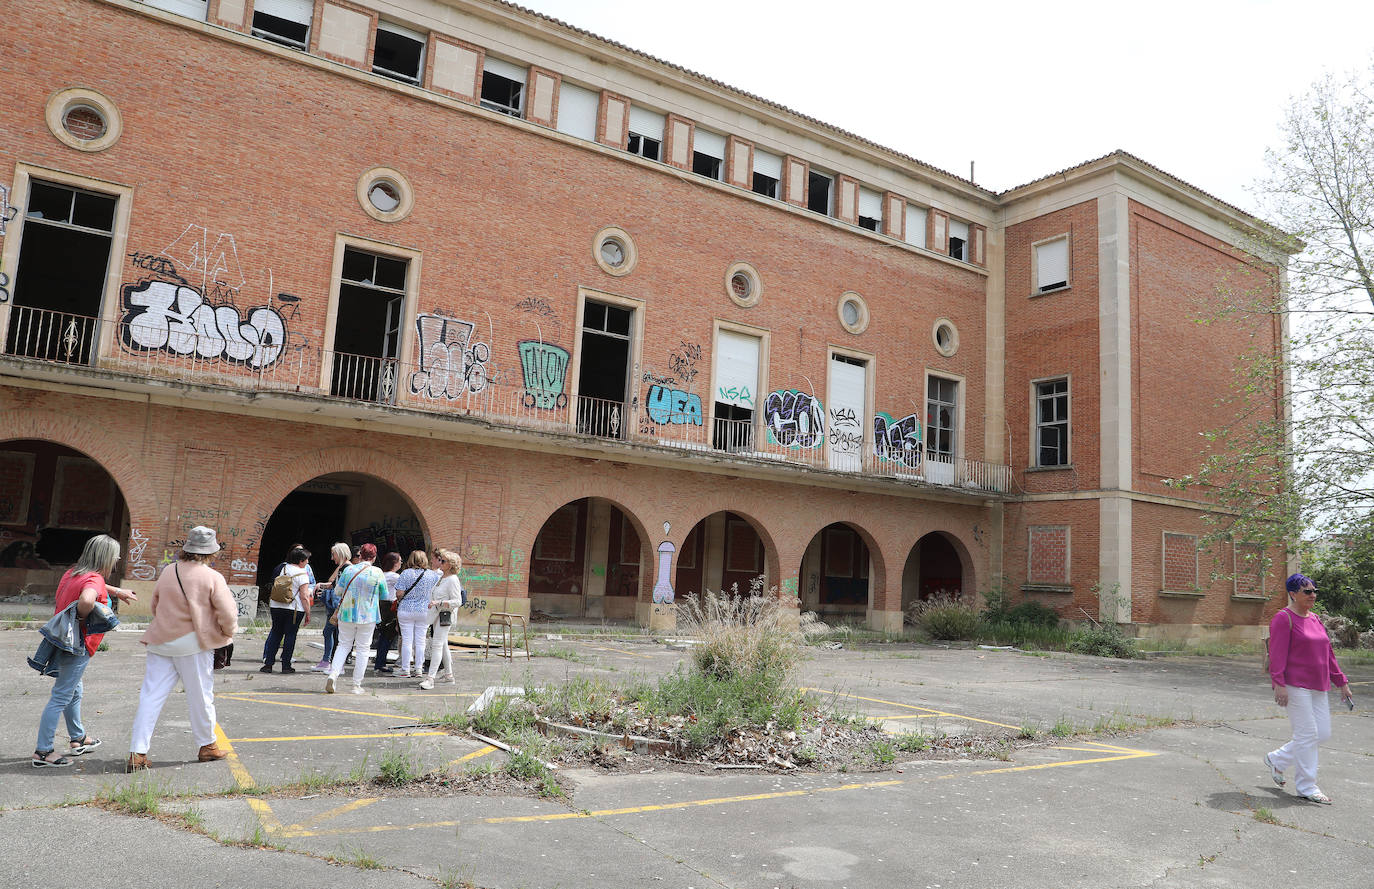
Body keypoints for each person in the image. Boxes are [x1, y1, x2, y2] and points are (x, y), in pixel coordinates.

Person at [127, 526, 238, 772]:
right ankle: (207, 746)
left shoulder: (169, 570)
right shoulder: (212, 577)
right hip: (194, 644)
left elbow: (155, 605)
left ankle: (137, 752)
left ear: (187, 549)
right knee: (201, 696)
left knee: (151, 696)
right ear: (210, 552)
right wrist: (227, 632)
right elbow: (228, 613)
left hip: (160, 640)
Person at [32, 534, 137, 767]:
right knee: (61, 696)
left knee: (73, 691)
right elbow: (89, 597)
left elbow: (93, 584)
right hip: (78, 646)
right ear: (106, 558)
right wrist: (81, 616)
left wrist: (117, 592)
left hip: (63, 640)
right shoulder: (94, 581)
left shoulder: (72, 573)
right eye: (116, 557)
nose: (117, 560)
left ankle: (78, 739)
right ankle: (43, 752)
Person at [1264, 573, 1353, 805]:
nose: (1312, 595)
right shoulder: (1283, 618)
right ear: (1293, 593)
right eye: (1307, 591)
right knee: (1307, 735)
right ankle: (1306, 786)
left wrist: (1341, 682)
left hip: (1318, 684)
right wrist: (1279, 684)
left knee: (1321, 733)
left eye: (1314, 591)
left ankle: (1278, 759)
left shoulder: (1315, 619)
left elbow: (1328, 654)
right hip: (1295, 685)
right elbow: (1277, 654)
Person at [324, 542, 385, 695]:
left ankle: (333, 674)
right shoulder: (377, 572)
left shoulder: (349, 570)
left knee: (343, 645)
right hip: (368, 615)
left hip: (346, 613)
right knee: (363, 649)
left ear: (360, 555)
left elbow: (337, 591)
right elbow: (384, 595)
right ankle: (356, 685)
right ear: (374, 556)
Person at [261, 545, 313, 673]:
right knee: (290, 635)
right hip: (294, 608)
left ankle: (268, 664)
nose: (307, 562)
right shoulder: (302, 573)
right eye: (306, 560)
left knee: (276, 633)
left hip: (276, 605)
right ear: (300, 561)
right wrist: (308, 612)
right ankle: (286, 665)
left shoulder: (282, 568)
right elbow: (304, 596)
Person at [420, 549, 464, 690]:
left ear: (450, 565)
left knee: (437, 645)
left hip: (444, 615)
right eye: (440, 560)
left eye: (443, 561)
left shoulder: (452, 579)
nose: (440, 562)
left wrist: (438, 603)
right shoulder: (443, 577)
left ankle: (430, 678)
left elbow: (457, 601)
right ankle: (449, 675)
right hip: (437, 615)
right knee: (442, 644)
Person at [394, 550, 440, 678]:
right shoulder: (432, 575)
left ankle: (405, 669)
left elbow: (399, 593)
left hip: (406, 610)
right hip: (424, 611)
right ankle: (419, 669)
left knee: (407, 640)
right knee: (420, 641)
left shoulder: (405, 573)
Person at [312, 542, 352, 671]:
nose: (332, 557)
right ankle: (329, 662)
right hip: (340, 606)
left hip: (338, 606)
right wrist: (321, 585)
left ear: (339, 554)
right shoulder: (346, 567)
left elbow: (338, 587)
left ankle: (331, 663)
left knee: (330, 632)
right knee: (333, 633)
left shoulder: (345, 568)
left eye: (333, 554)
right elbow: (333, 583)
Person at [373, 551, 402, 674]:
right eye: (400, 561)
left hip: (380, 605)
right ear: (394, 563)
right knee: (387, 637)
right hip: (390, 607)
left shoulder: (381, 574)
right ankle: (380, 663)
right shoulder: (395, 577)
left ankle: (379, 661)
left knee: (382, 636)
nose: (401, 563)